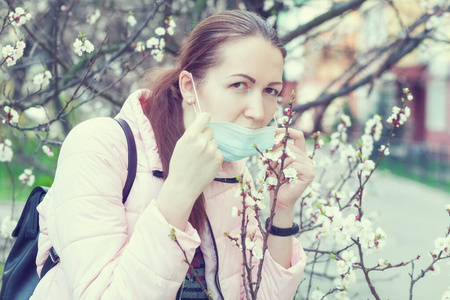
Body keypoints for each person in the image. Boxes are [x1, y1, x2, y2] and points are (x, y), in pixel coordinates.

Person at [31, 10, 314, 300]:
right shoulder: (98, 147)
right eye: (239, 85)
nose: (258, 111)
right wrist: (180, 190)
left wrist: (282, 210)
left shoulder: (231, 170)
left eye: (270, 91)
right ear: (189, 87)